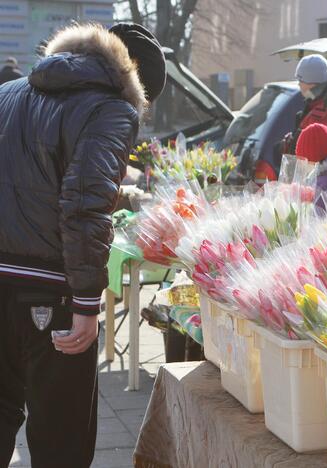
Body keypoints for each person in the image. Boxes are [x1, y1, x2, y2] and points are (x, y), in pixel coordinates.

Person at [0, 23, 165, 467]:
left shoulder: (10, 93)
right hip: (50, 292)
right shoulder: (111, 109)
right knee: (63, 441)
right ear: (134, 85)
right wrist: (88, 305)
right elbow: (84, 207)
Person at [282, 54, 327, 154]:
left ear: (312, 83)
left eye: (300, 80)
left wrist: (289, 145)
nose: (299, 84)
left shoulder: (321, 112)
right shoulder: (316, 104)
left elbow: (306, 152)